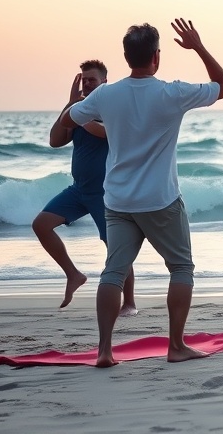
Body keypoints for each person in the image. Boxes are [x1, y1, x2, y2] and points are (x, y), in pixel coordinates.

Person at [61, 19, 223, 367]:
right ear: (156, 56)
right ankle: (176, 346)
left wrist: (101, 122)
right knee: (181, 267)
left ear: (126, 57)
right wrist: (198, 46)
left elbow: (69, 120)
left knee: (113, 272)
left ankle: (104, 351)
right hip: (160, 200)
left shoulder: (105, 95)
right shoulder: (172, 92)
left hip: (118, 200)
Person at [33, 60, 137, 316]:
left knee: (115, 247)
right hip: (79, 190)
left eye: (92, 79)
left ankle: (129, 302)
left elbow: (106, 133)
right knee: (41, 225)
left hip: (105, 193)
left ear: (104, 83)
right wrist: (70, 105)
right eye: (84, 79)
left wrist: (78, 114)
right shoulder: (77, 112)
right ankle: (73, 275)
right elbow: (55, 141)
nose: (87, 84)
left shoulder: (110, 110)